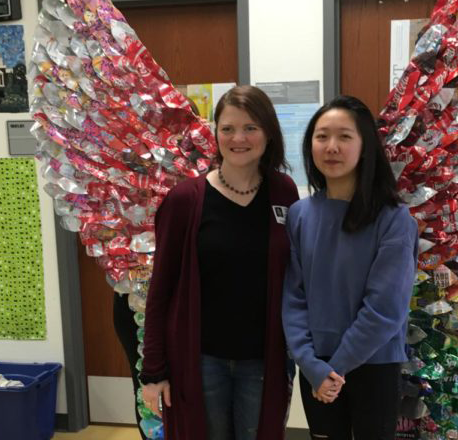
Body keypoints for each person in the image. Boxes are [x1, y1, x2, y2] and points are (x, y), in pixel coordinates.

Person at [139, 85, 300, 440]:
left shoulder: (284, 193)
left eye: (250, 128)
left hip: (262, 360)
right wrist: (154, 370)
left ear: (268, 133)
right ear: (215, 134)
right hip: (199, 361)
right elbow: (161, 291)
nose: (238, 138)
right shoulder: (185, 201)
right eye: (227, 128)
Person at [282, 95, 419, 440]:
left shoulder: (393, 218)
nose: (332, 147)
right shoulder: (300, 215)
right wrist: (312, 365)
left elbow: (385, 307)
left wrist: (336, 368)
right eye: (322, 136)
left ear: (365, 146)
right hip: (316, 366)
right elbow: (292, 298)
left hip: (374, 362)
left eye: (344, 137)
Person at [112, 95, 203, 440]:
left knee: (190, 395)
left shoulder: (206, 175)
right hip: (135, 302)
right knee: (149, 394)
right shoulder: (126, 172)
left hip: (187, 303)